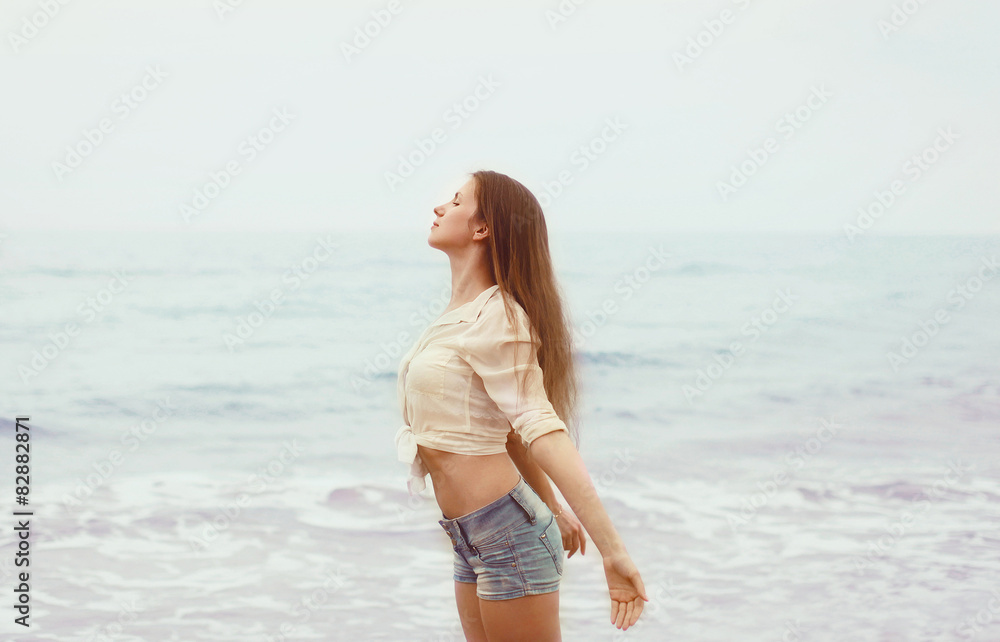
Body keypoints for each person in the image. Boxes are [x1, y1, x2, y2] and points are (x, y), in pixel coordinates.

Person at [395, 170, 648, 640]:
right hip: (470, 534)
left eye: (455, 201)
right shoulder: (457, 317)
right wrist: (549, 504)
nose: (438, 208)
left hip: (507, 535)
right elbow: (506, 432)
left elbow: (539, 426)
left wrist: (611, 551)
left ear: (482, 228)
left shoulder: (500, 316)